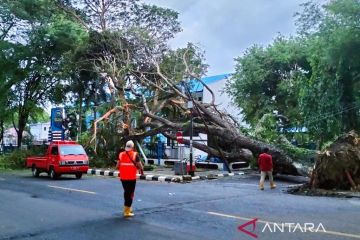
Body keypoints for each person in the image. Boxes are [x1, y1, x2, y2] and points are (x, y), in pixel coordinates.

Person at [116, 140, 144, 217]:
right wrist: (141, 170)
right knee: (130, 194)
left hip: (123, 177)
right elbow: (140, 166)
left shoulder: (121, 154)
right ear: (133, 147)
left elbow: (117, 166)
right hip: (131, 178)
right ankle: (127, 211)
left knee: (126, 192)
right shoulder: (135, 154)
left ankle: (128, 208)